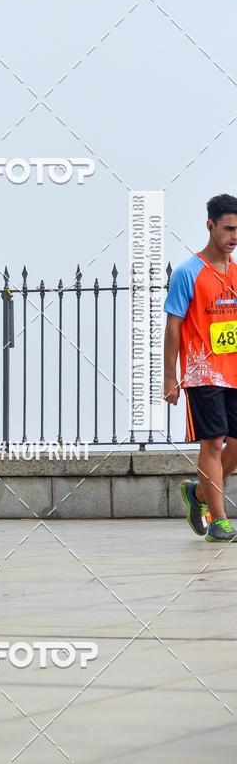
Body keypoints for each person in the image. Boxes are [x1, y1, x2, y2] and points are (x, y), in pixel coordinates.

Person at [164, 194, 237, 542]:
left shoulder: (236, 273)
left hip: (235, 372)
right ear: (210, 226)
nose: (234, 236)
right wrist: (169, 377)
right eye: (228, 228)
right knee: (212, 443)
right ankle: (220, 521)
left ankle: (197, 494)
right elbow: (174, 326)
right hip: (202, 373)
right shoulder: (187, 272)